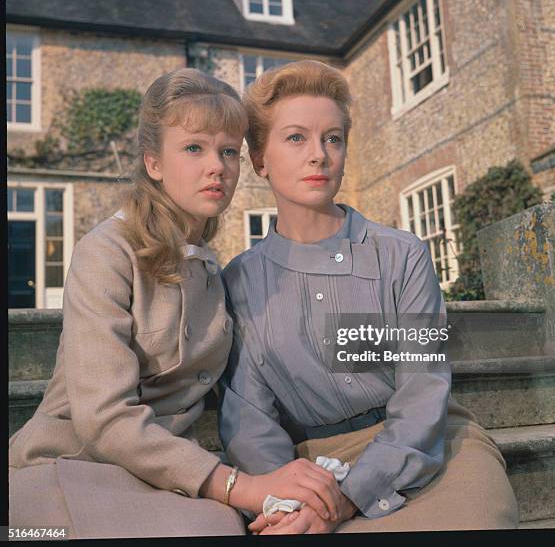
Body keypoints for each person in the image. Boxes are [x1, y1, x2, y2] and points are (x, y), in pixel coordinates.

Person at [8, 68, 343, 539]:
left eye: (228, 151)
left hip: (169, 478)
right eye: (194, 148)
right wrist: (238, 485)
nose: (218, 167)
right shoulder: (106, 252)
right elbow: (103, 417)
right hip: (74, 463)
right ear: (153, 163)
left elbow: (248, 396)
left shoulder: (217, 272)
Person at [218, 60, 519, 534]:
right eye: (296, 138)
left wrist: (349, 497)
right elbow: (249, 421)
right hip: (307, 469)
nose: (319, 155)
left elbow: (422, 390)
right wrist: (293, 501)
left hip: (426, 448)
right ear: (260, 159)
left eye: (332, 138)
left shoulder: (401, 256)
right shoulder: (238, 282)